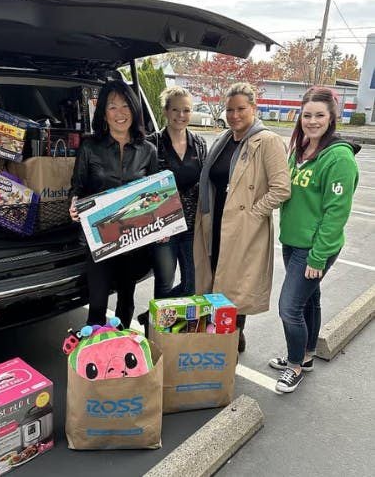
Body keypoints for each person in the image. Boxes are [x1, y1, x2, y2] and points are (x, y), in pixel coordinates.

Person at [269, 86, 359, 393]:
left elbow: (336, 214)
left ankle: (294, 366)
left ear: (332, 116)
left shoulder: (339, 158)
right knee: (309, 300)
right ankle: (305, 356)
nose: (312, 121)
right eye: (307, 115)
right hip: (292, 241)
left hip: (314, 248)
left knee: (289, 308)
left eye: (319, 115)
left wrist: (318, 256)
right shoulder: (300, 148)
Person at [193, 82, 291, 352]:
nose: (234, 115)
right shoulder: (225, 139)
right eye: (229, 109)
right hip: (216, 221)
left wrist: (253, 213)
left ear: (254, 108)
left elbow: (281, 188)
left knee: (235, 286)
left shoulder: (268, 141)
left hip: (243, 226)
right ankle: (221, 336)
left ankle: (230, 342)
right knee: (216, 278)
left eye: (240, 109)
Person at [68, 80, 158, 329]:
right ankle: (94, 359)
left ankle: (119, 354)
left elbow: (155, 196)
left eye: (125, 105)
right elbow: (77, 188)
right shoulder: (89, 147)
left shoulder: (148, 150)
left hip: (133, 238)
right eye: (112, 107)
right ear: (104, 115)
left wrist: (161, 225)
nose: (120, 113)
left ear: (134, 108)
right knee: (97, 304)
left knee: (126, 302)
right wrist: (74, 205)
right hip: (99, 238)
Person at [151, 86, 207, 298]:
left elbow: (204, 182)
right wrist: (156, 224)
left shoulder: (199, 143)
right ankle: (157, 329)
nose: (181, 115)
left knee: (192, 285)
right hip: (163, 227)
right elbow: (145, 187)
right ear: (166, 111)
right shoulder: (152, 143)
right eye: (175, 110)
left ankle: (152, 317)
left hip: (192, 226)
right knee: (165, 283)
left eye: (186, 110)